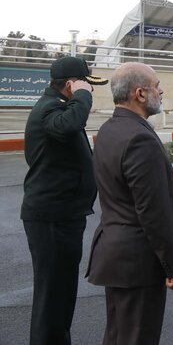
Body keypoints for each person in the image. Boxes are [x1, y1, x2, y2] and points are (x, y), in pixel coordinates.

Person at [86, 63, 173, 345]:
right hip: (137, 264)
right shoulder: (140, 139)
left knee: (118, 336)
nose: (162, 90)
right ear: (140, 94)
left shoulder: (108, 129)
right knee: (137, 338)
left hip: (115, 256)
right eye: (157, 84)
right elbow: (154, 214)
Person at [22, 56, 108, 345]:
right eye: (86, 85)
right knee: (52, 297)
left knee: (61, 295)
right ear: (71, 85)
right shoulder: (49, 110)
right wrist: (82, 94)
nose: (90, 91)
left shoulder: (57, 108)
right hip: (52, 218)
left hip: (64, 215)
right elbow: (70, 124)